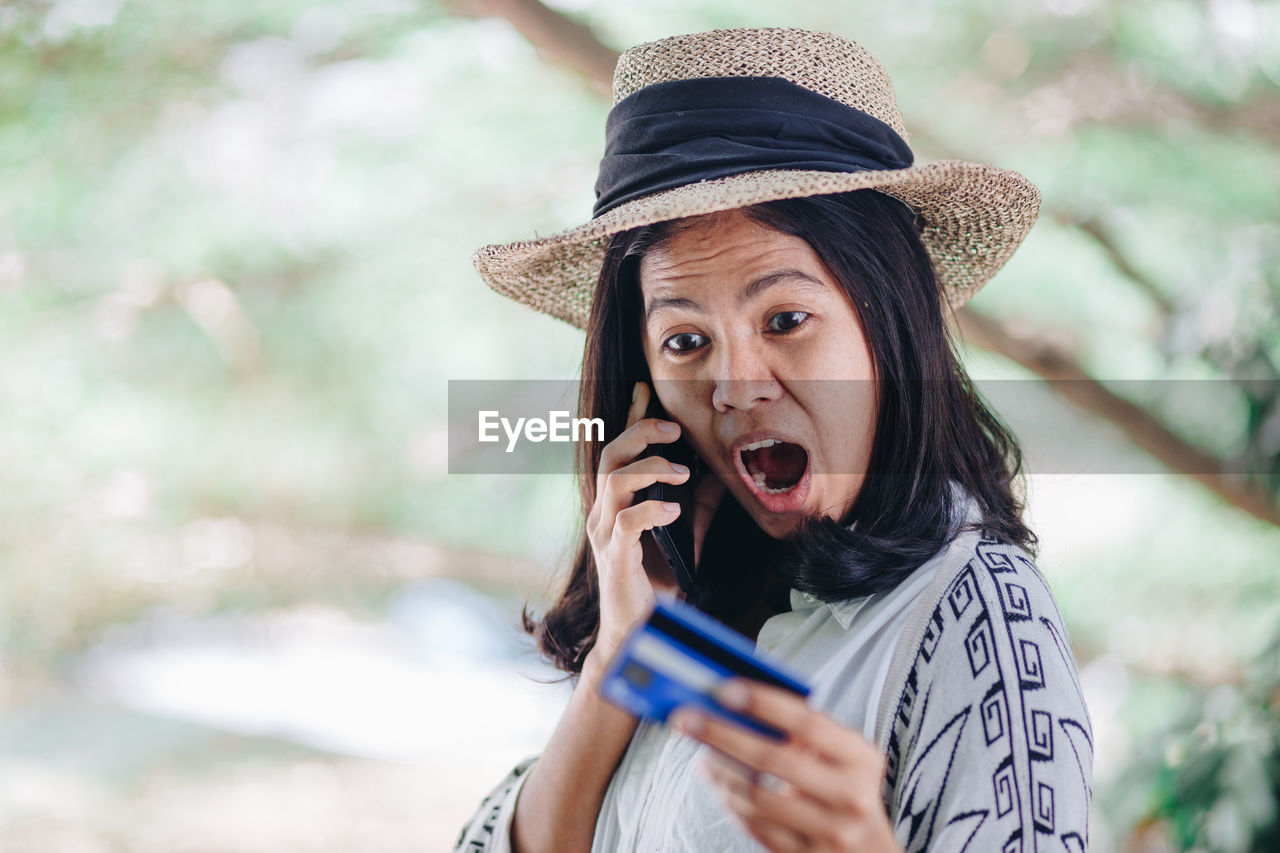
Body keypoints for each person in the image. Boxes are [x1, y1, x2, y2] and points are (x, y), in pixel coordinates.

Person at [456, 27, 1093, 853]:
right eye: (686, 341)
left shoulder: (979, 615)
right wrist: (624, 647)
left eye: (785, 320)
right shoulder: (686, 614)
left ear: (887, 326)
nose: (735, 384)